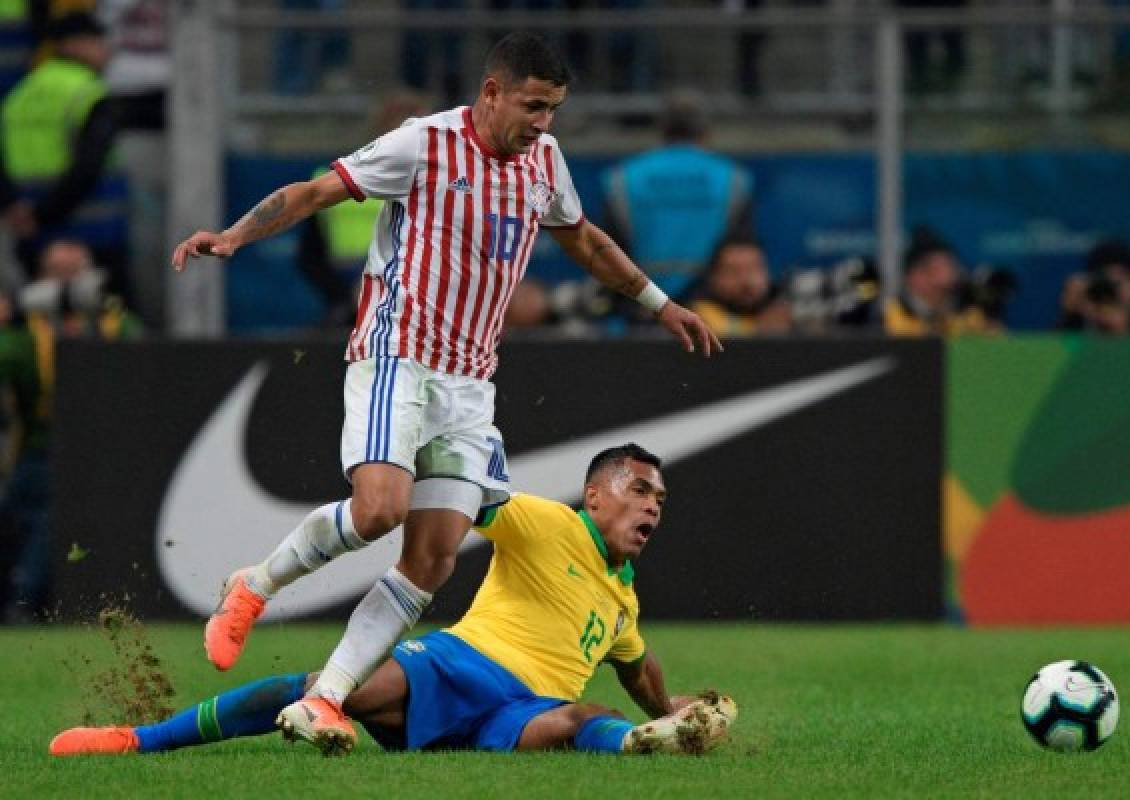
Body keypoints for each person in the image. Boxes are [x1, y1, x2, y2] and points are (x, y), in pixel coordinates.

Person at [170, 32, 721, 750]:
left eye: (553, 109)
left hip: (470, 382)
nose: (542, 123)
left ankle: (327, 700)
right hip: (398, 355)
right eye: (532, 105)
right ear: (491, 93)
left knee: (430, 559)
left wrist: (660, 303)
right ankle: (255, 584)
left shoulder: (544, 163)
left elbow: (583, 240)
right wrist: (236, 237)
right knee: (379, 513)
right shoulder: (421, 143)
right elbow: (315, 192)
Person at [49, 444, 738, 757]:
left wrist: (672, 709)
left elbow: (639, 669)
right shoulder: (547, 521)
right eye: (639, 490)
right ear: (595, 496)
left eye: (660, 499)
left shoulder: (623, 599)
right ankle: (139, 739)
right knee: (324, 689)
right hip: (456, 665)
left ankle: (650, 746)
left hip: (522, 712)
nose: (653, 506)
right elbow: (460, 501)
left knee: (584, 716)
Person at [0, 238, 140, 621]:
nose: (64, 287)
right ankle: (21, 598)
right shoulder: (24, 332)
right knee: (28, 506)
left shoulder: (117, 322)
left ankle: (26, 600)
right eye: (55, 274)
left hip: (106, 455)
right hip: (42, 450)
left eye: (73, 273)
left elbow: (144, 368)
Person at [0, 12, 132, 309]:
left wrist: (15, 209)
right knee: (109, 328)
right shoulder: (90, 94)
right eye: (97, 42)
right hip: (93, 239)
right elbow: (88, 167)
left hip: (33, 240)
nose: (105, 51)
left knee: (38, 328)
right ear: (73, 45)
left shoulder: (19, 94)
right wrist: (45, 214)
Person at [601, 89, 755, 302]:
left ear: (663, 129)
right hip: (710, 307)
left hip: (641, 302)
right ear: (705, 131)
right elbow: (740, 249)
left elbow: (609, 250)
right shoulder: (733, 178)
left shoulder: (622, 177)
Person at [298, 89, 430, 327]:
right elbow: (309, 257)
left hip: (416, 297)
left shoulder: (443, 185)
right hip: (350, 296)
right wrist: (346, 293)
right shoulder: (337, 179)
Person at [882, 229, 994, 336]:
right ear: (912, 276)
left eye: (950, 267)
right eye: (936, 269)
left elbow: (998, 351)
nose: (945, 278)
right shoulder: (887, 317)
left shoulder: (970, 315)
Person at [689, 236, 792, 337]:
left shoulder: (787, 307)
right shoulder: (699, 314)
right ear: (714, 277)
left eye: (753, 270)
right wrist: (762, 331)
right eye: (733, 271)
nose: (746, 281)